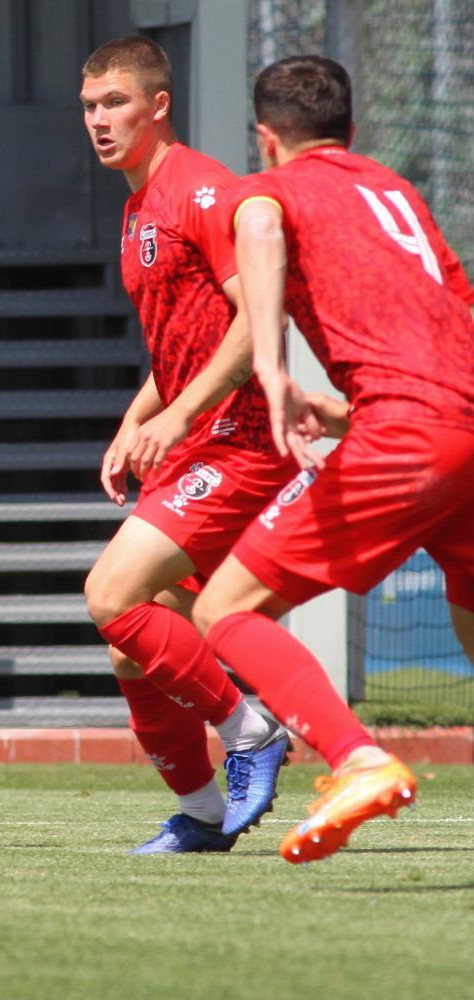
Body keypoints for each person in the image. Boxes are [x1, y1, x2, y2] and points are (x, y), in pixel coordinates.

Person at [191, 54, 474, 863]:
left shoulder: (268, 190)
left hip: (411, 434)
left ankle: (356, 759)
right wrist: (353, 408)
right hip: (450, 425)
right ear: (350, 131)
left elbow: (255, 223)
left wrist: (274, 371)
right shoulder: (396, 192)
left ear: (266, 137)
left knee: (224, 610)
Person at [78, 37, 295, 854]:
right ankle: (204, 816)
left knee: (110, 595)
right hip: (192, 439)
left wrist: (178, 417)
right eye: (90, 107)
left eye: (115, 104)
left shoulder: (202, 190)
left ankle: (251, 732)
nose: (99, 121)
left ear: (158, 105)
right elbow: (185, 340)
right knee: (134, 650)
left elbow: (253, 320)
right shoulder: (139, 202)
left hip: (236, 441)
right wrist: (138, 418)